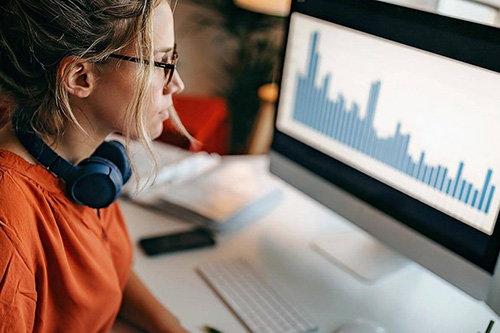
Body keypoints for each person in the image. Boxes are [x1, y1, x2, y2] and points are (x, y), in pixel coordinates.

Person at [0, 0, 190, 331]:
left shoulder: (85, 166)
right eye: (160, 62)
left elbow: (108, 268)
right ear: (81, 76)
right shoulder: (8, 222)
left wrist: (169, 325)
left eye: (171, 59)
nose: (176, 84)